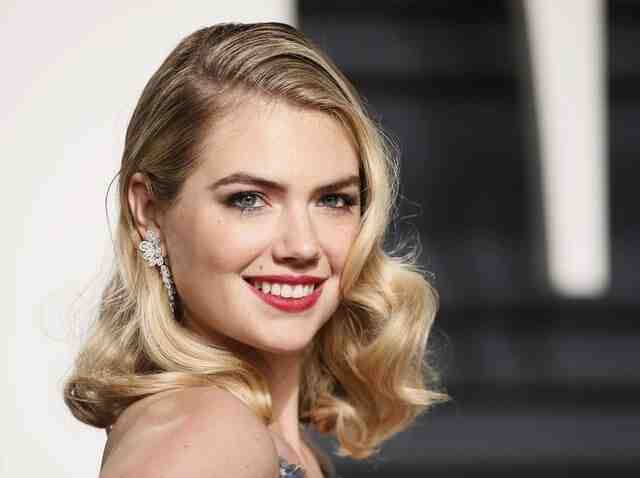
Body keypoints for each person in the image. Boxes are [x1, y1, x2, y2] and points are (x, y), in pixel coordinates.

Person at [63, 22, 447, 478]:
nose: (302, 245)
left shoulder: (266, 437)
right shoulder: (203, 434)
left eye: (332, 200)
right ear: (149, 211)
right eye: (248, 199)